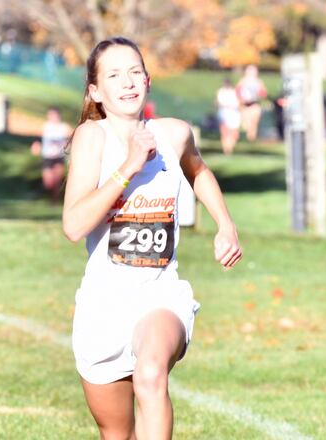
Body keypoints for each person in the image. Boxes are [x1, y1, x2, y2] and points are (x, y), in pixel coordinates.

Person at [62, 37, 242, 439]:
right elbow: (73, 226)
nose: (127, 83)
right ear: (95, 91)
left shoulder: (174, 134)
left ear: (148, 80)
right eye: (114, 75)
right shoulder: (92, 138)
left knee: (150, 373)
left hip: (159, 293)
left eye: (135, 72)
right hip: (104, 303)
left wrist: (225, 224)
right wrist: (128, 166)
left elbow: (198, 171)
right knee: (117, 432)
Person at [30, 107, 71, 201]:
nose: (52, 117)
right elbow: (37, 137)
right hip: (48, 157)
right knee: (48, 182)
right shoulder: (45, 126)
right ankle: (49, 197)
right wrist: (36, 145)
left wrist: (68, 144)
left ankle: (54, 201)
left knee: (57, 181)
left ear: (58, 115)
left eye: (53, 115)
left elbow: (72, 137)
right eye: (50, 115)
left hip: (59, 156)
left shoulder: (64, 127)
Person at [236, 65, 267, 142]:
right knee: (245, 124)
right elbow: (237, 91)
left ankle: (251, 139)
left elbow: (263, 93)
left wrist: (261, 94)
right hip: (245, 105)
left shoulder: (259, 81)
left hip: (254, 104)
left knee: (254, 123)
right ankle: (245, 138)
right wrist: (241, 100)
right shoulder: (243, 81)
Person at [216, 78, 242, 154]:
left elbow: (239, 103)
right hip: (224, 113)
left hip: (234, 114)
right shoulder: (221, 92)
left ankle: (230, 147)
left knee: (234, 134)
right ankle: (226, 150)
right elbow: (218, 103)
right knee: (225, 132)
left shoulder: (234, 92)